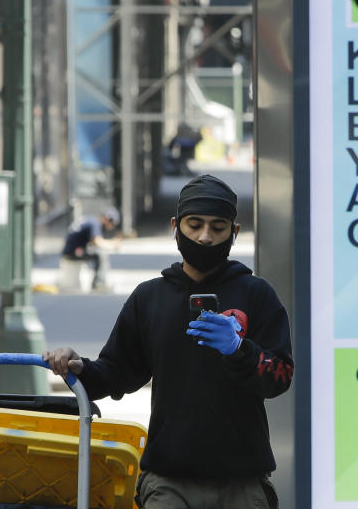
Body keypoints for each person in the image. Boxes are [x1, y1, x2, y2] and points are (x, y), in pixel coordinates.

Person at [44, 174, 293, 509]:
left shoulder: (256, 294)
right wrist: (79, 368)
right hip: (169, 481)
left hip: (242, 482)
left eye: (218, 228)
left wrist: (238, 349)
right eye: (195, 225)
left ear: (234, 233)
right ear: (176, 226)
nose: (205, 237)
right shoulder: (150, 298)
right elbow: (118, 372)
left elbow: (280, 376)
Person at [61, 206, 121, 289]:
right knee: (101, 255)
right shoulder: (95, 223)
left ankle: (97, 283)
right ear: (107, 219)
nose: (110, 226)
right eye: (111, 223)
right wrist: (112, 245)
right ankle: (99, 283)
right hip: (73, 252)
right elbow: (97, 242)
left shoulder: (91, 220)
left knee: (96, 252)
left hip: (71, 250)